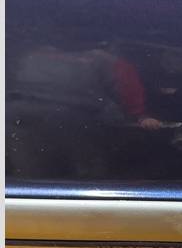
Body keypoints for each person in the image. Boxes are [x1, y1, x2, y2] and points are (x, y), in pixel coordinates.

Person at [6, 44, 164, 179]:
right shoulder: (107, 61)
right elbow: (130, 98)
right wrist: (141, 116)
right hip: (81, 129)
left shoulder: (22, 54)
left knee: (30, 178)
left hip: (20, 127)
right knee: (88, 179)